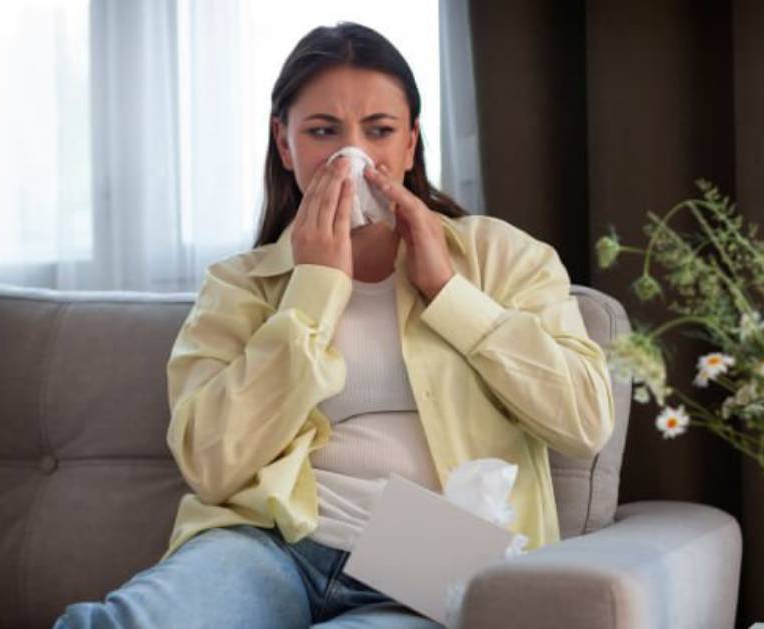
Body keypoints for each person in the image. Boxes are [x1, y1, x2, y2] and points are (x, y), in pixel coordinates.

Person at [54, 20, 615, 629]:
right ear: (285, 143)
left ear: (410, 144)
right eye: (323, 131)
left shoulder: (503, 258)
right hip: (269, 541)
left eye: (379, 131)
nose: (354, 156)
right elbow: (210, 463)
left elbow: (583, 421)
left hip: (428, 567)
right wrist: (314, 291)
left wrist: (449, 293)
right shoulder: (239, 286)